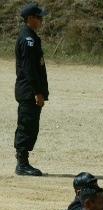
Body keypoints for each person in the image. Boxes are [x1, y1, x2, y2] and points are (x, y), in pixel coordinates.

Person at [13, 3, 50, 176]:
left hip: (30, 90)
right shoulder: (27, 39)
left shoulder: (32, 37)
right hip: (29, 91)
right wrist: (37, 91)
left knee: (31, 125)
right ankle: (22, 164)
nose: (41, 20)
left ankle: (23, 161)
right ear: (30, 19)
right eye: (38, 17)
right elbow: (29, 69)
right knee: (26, 125)